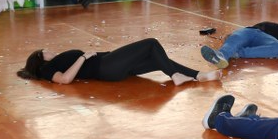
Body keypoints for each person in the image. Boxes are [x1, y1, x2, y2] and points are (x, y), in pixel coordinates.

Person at [16, 38, 221, 86]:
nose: (50, 50)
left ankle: (199, 75)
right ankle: (175, 76)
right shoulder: (48, 69)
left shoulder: (54, 63)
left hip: (110, 64)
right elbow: (65, 79)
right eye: (45, 51)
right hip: (105, 67)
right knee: (151, 43)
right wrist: (83, 57)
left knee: (157, 59)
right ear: (40, 57)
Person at [200, 21, 278, 69]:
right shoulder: (271, 24)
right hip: (249, 31)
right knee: (236, 37)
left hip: (265, 39)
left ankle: (236, 53)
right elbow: (238, 34)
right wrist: (230, 35)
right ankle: (221, 56)